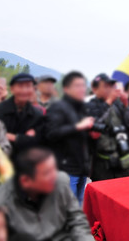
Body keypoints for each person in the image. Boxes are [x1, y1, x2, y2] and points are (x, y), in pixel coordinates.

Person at [0, 147, 93, 240]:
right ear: (25, 181)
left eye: (54, 169)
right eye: (47, 173)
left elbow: (76, 219)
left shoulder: (60, 181)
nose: (55, 176)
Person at [44, 71, 94, 204]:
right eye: (77, 85)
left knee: (79, 206)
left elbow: (81, 135)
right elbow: (51, 133)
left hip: (81, 166)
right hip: (66, 168)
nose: (82, 89)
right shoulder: (58, 107)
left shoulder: (81, 107)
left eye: (83, 85)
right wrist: (78, 127)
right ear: (66, 89)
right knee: (67, 207)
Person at [86, 74, 129, 181]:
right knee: (104, 194)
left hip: (122, 157)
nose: (110, 89)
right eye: (106, 86)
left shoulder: (117, 104)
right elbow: (94, 126)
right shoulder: (91, 106)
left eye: (112, 86)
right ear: (94, 89)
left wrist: (126, 104)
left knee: (123, 192)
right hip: (102, 162)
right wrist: (108, 102)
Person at [0, 74, 43, 151]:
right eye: (20, 86)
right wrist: (25, 138)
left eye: (28, 86)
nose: (24, 90)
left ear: (33, 89)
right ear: (12, 89)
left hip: (25, 157)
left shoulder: (37, 115)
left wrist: (14, 137)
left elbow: (38, 141)